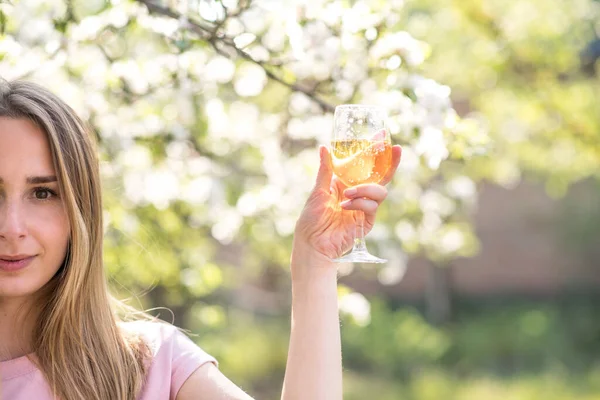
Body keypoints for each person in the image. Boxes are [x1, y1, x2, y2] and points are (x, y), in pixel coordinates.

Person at [0, 79, 401, 400]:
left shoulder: (150, 366)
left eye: (43, 193)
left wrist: (313, 264)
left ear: (80, 210)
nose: (12, 226)